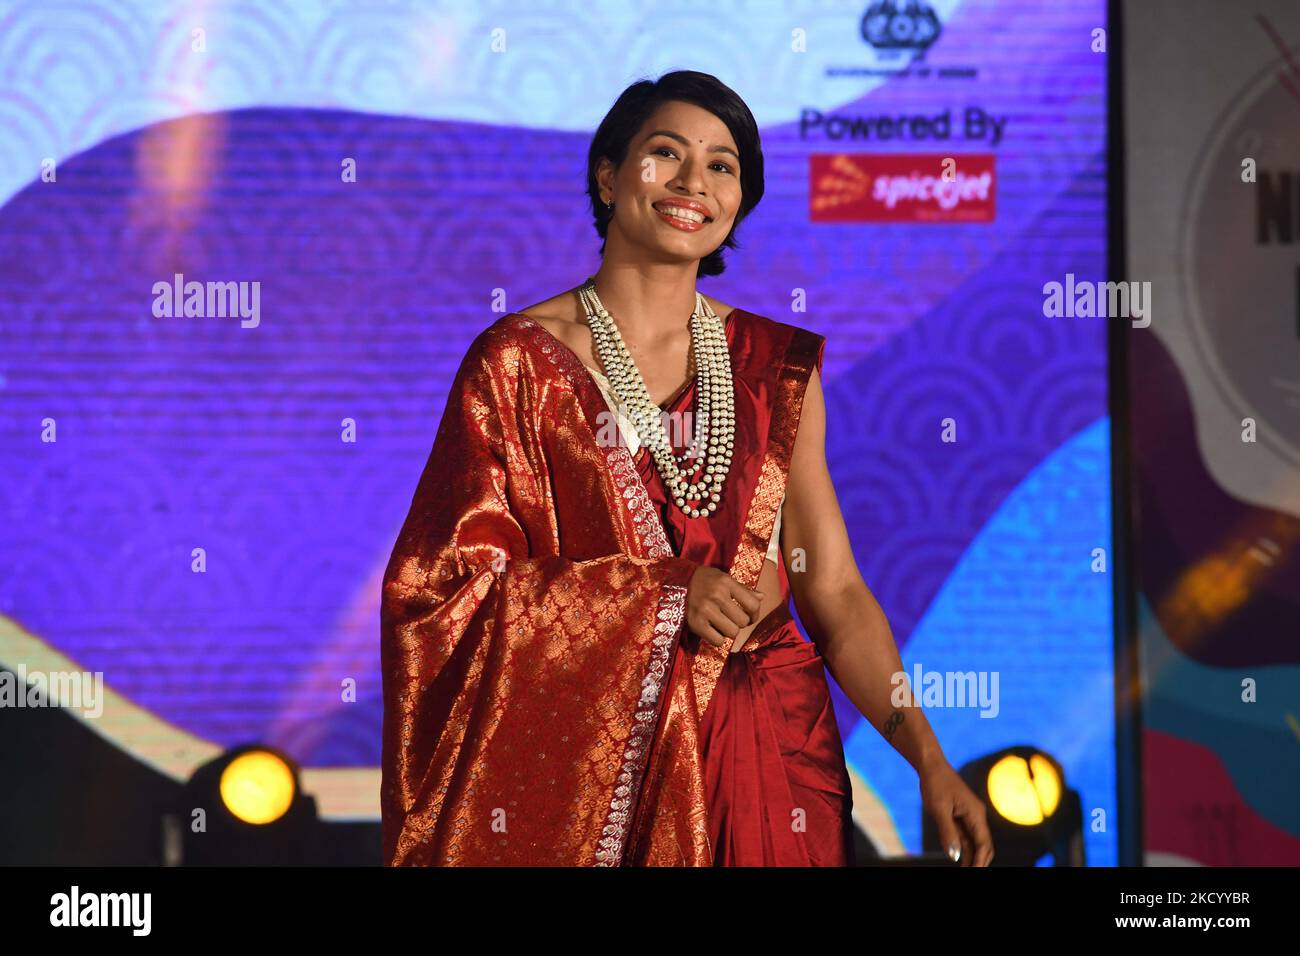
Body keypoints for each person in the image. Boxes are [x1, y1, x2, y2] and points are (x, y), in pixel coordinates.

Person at [381, 70, 993, 867]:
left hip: (772, 735)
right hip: (598, 763)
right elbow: (442, 589)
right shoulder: (516, 364)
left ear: (738, 201)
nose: (691, 183)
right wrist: (661, 598)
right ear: (608, 175)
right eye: (664, 153)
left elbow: (834, 590)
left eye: (721, 165)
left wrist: (930, 760)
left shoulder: (775, 367)